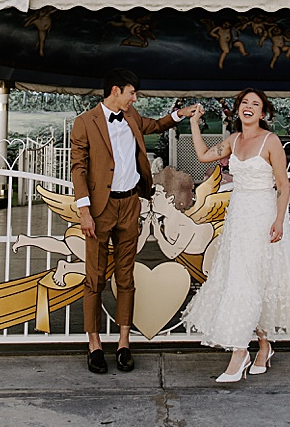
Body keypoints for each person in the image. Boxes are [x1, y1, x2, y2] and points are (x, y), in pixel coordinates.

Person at [181, 88, 290, 382]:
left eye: (255, 104)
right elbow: (202, 155)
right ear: (238, 110)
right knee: (242, 277)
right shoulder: (233, 141)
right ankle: (262, 345)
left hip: (263, 214)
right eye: (244, 103)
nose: (248, 107)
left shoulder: (271, 141)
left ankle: (240, 351)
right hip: (239, 215)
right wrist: (195, 122)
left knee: (258, 278)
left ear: (263, 113)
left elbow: (283, 186)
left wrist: (278, 221)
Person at [70, 68, 196, 374]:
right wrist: (85, 212)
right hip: (99, 209)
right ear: (116, 91)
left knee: (126, 277)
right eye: (131, 93)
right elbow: (78, 169)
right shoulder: (85, 123)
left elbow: (157, 124)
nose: (134, 98)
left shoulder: (132, 116)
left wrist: (181, 113)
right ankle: (95, 345)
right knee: (95, 278)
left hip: (129, 205)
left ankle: (124, 343)